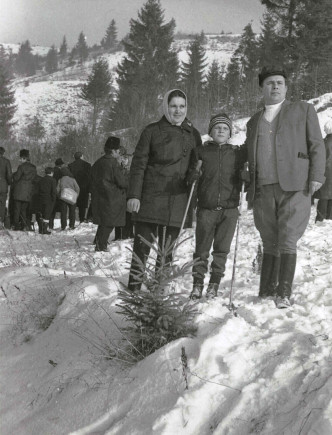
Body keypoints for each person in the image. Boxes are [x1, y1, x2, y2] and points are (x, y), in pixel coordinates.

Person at [243, 65, 326, 309]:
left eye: (280, 82)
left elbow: (317, 145)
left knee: (288, 237)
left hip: (295, 185)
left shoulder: (303, 110)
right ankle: (266, 291)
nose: (275, 86)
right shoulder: (254, 121)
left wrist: (317, 175)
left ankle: (284, 293)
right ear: (262, 88)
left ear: (286, 87)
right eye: (270, 83)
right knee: (269, 238)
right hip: (263, 188)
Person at [127, 89, 202, 291]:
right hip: (151, 196)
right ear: (166, 107)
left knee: (167, 251)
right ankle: (134, 288)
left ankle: (159, 291)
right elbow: (139, 164)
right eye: (173, 106)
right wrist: (134, 195)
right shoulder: (151, 131)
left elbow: (197, 164)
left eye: (181, 106)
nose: (177, 110)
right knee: (142, 246)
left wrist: (194, 176)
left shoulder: (193, 134)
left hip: (177, 200)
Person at [189, 114, 247, 300]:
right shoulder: (201, 152)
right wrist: (193, 175)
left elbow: (245, 177)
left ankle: (214, 283)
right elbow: (190, 179)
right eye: (217, 127)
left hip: (229, 209)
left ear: (230, 132)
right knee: (202, 249)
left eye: (225, 128)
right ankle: (197, 283)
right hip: (206, 208)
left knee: (222, 250)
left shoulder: (236, 153)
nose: (221, 130)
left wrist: (246, 176)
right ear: (211, 131)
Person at [90, 136, 128, 252]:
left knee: (103, 221)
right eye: (118, 151)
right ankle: (101, 247)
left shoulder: (98, 162)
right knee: (109, 223)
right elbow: (122, 182)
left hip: (99, 196)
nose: (119, 154)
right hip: (112, 198)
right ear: (114, 151)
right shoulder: (113, 163)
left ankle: (97, 241)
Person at [12, 149, 37, 231]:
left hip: (19, 191)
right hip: (28, 192)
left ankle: (16, 226)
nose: (20, 160)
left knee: (17, 209)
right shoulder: (34, 168)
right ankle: (24, 225)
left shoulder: (21, 167)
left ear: (24, 158)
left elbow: (16, 178)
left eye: (21, 158)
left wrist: (14, 175)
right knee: (24, 210)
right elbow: (34, 179)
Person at [314, 119, 332, 222]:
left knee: (324, 196)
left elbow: (320, 158)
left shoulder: (325, 143)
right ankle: (329, 217)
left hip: (326, 172)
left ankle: (320, 218)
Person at [68, 151, 92, 223]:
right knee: (83, 204)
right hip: (84, 187)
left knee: (73, 204)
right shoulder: (87, 165)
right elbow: (90, 177)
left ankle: (72, 220)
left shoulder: (70, 165)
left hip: (74, 187)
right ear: (81, 156)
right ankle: (82, 218)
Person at [37, 167, 57, 234]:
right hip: (49, 199)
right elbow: (54, 191)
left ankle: (41, 229)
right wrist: (54, 200)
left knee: (41, 214)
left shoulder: (41, 180)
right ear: (51, 173)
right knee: (47, 215)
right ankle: (44, 230)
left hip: (40, 199)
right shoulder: (53, 180)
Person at [49, 158, 65, 229]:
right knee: (62, 210)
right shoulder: (61, 172)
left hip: (51, 192)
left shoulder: (52, 171)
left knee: (52, 210)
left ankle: (50, 225)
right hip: (59, 193)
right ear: (61, 165)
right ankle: (63, 226)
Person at [0, 146, 12, 229]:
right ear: (3, 153)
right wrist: (9, 183)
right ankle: (0, 221)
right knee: (2, 204)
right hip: (3, 186)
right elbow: (9, 175)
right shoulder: (6, 161)